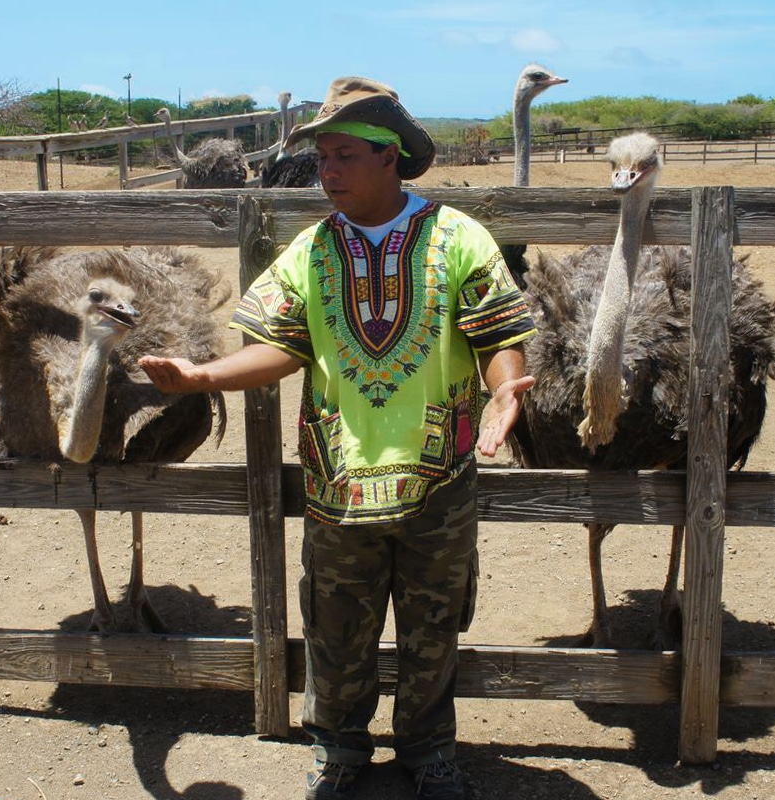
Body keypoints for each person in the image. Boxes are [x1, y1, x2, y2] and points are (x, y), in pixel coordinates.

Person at [139, 75, 536, 800]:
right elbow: (283, 347)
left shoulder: (459, 240)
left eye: (345, 155)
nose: (328, 172)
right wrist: (203, 378)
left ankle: (428, 748)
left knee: (432, 625)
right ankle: (341, 746)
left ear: (390, 157)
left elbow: (497, 334)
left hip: (437, 478)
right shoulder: (312, 252)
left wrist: (506, 385)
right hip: (338, 480)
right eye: (323, 157)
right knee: (336, 628)